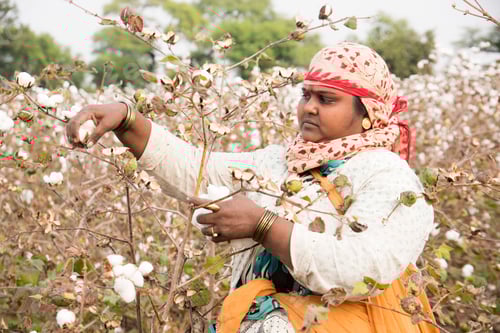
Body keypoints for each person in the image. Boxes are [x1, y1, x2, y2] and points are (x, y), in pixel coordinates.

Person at [65, 42, 439, 333]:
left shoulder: (388, 177)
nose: (309, 108)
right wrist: (128, 120)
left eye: (326, 99)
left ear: (368, 113)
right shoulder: (280, 161)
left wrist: (264, 226)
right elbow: (199, 170)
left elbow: (361, 269)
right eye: (305, 95)